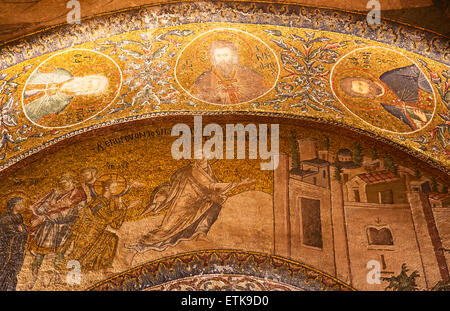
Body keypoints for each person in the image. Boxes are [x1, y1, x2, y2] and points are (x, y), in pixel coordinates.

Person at [126, 159, 254, 257]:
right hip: (186, 202)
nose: (202, 158)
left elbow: (211, 190)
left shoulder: (207, 170)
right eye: (199, 156)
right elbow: (211, 186)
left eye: (204, 156)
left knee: (215, 204)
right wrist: (239, 183)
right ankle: (142, 243)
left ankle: (200, 233)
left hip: (199, 202)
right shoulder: (194, 170)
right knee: (167, 229)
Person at [67, 179, 140, 273]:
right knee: (80, 256)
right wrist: (126, 208)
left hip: (98, 231)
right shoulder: (99, 202)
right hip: (89, 232)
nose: (116, 189)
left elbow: (115, 225)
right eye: (113, 187)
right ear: (106, 188)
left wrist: (122, 209)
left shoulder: (109, 202)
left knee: (112, 238)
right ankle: (86, 265)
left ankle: (103, 267)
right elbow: (108, 217)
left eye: (116, 187)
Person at [27, 173, 86, 289]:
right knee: (39, 254)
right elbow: (40, 208)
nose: (63, 185)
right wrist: (46, 210)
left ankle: (58, 279)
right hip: (47, 230)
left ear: (72, 182)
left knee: (60, 256)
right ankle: (33, 278)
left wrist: (51, 214)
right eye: (62, 182)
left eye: (66, 182)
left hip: (63, 230)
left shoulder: (78, 196)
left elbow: (75, 213)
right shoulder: (56, 194)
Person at [339, 64, 434, 131]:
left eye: (360, 83)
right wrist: (423, 120)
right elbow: (413, 124)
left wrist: (424, 87)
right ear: (362, 95)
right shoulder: (386, 106)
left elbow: (419, 68)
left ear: (363, 79)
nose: (364, 86)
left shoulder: (387, 77)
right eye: (360, 89)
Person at [191, 40, 268, 105]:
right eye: (218, 56)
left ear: (233, 56)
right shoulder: (204, 79)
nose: (222, 59)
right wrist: (215, 95)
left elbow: (263, 92)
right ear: (213, 57)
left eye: (225, 55)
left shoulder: (248, 73)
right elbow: (197, 100)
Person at [23, 65, 108, 123]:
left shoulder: (61, 104)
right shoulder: (62, 73)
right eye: (89, 82)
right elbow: (37, 71)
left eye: (89, 88)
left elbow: (34, 114)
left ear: (86, 92)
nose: (85, 85)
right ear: (86, 77)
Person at [0, 197, 28, 291]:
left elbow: (24, 229)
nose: (22, 206)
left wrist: (22, 229)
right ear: (13, 205)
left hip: (17, 248)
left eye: (22, 204)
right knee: (5, 268)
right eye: (19, 204)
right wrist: (17, 229)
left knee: (14, 269)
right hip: (7, 249)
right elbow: (7, 230)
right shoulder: (5, 217)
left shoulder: (19, 216)